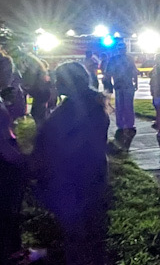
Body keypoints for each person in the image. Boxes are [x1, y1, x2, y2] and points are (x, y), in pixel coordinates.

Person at [1, 62, 110, 264]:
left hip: (74, 179)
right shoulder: (90, 104)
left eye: (59, 80)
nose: (55, 84)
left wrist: (39, 163)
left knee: (76, 232)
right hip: (89, 175)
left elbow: (67, 145)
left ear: (72, 82)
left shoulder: (75, 111)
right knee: (85, 229)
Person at [0, 53, 23, 263]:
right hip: (5, 166)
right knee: (7, 214)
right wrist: (24, 163)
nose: (12, 75)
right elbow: (3, 144)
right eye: (9, 71)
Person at [105, 44, 138, 146]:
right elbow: (134, 72)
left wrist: (109, 84)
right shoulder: (128, 58)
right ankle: (128, 124)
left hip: (121, 85)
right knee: (127, 105)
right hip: (125, 85)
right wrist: (136, 83)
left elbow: (108, 73)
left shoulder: (114, 59)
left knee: (121, 106)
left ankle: (122, 125)